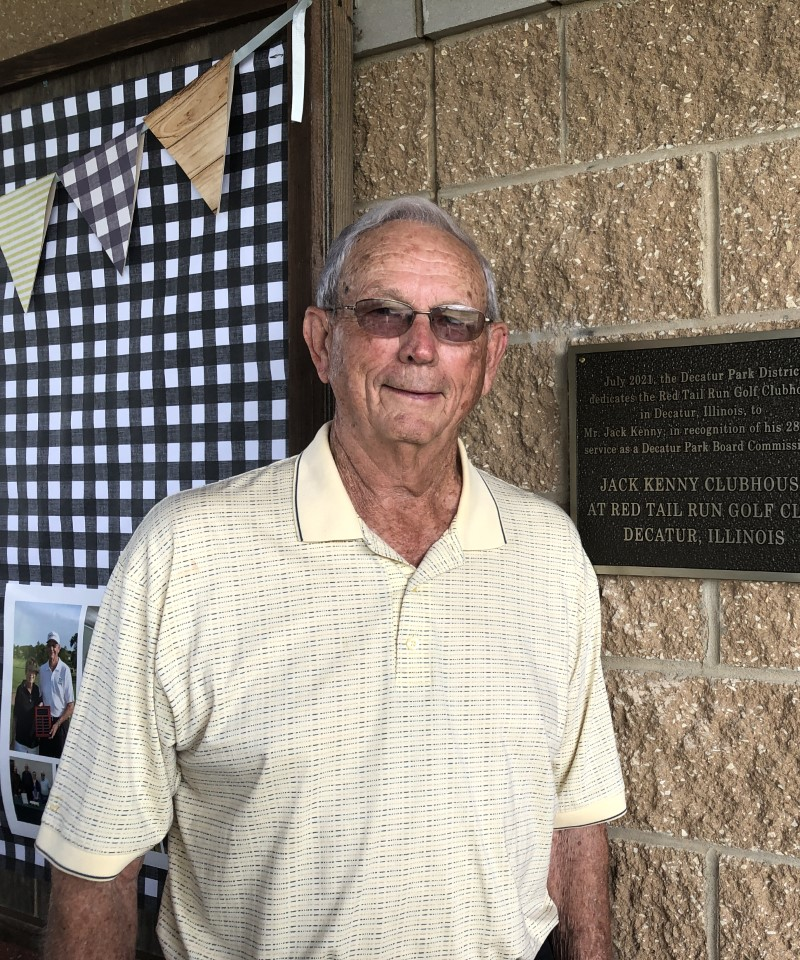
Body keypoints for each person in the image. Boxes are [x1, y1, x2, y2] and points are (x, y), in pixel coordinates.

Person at [37, 197, 626, 960]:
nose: (421, 347)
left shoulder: (549, 553)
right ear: (323, 342)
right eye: (384, 313)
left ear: (489, 359)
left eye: (454, 322)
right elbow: (93, 864)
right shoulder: (187, 553)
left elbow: (575, 825)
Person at [38, 633, 73, 759]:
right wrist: (41, 704)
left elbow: (70, 705)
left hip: (61, 724)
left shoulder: (65, 670)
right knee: (45, 759)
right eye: (49, 645)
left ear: (59, 648)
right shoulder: (42, 670)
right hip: (46, 723)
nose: (51, 648)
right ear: (47, 648)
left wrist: (57, 724)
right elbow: (41, 697)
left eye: (54, 645)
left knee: (60, 765)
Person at [12, 659, 43, 754]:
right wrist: (13, 738)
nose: (31, 674)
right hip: (20, 743)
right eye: (29, 671)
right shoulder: (20, 690)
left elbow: (41, 711)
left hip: (34, 743)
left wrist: (41, 705)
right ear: (26, 672)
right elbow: (15, 716)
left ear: (36, 674)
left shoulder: (37, 690)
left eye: (33, 672)